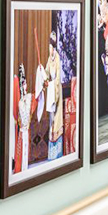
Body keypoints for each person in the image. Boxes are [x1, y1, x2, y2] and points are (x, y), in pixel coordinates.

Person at [44, 32, 64, 160]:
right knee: (51, 120)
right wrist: (44, 77)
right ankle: (51, 154)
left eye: (50, 48)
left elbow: (57, 77)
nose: (49, 50)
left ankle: (57, 153)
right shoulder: (49, 59)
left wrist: (54, 89)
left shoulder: (57, 58)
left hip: (56, 90)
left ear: (54, 48)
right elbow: (47, 72)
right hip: (51, 89)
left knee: (57, 119)